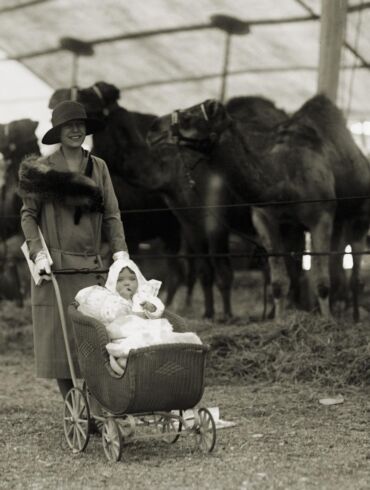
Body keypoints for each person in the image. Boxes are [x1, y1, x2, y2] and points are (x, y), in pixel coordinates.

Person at [19, 100, 129, 400]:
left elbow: (112, 214)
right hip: (54, 267)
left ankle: (97, 401)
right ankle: (73, 405)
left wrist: (120, 253)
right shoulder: (41, 169)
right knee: (60, 342)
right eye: (69, 126)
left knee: (96, 339)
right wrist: (38, 253)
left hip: (92, 269)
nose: (76, 130)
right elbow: (28, 215)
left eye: (80, 125)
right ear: (58, 131)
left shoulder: (99, 167)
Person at [75, 257, 202, 376]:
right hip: (125, 333)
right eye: (120, 280)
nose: (127, 283)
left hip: (147, 329)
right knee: (128, 342)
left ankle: (176, 349)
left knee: (162, 335)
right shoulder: (112, 300)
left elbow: (158, 309)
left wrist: (151, 308)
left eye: (132, 279)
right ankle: (131, 356)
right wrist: (123, 302)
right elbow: (109, 317)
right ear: (113, 282)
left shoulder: (143, 296)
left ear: (138, 280)